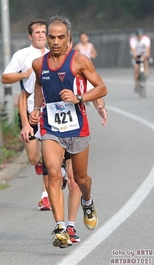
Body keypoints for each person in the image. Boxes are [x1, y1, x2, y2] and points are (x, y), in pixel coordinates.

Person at [27, 15, 107, 248]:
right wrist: (36, 108)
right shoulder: (38, 64)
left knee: (80, 179)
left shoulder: (79, 61)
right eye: (51, 37)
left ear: (69, 38)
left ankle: (88, 200)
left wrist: (79, 97)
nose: (55, 41)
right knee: (53, 171)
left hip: (77, 128)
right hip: (51, 127)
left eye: (61, 37)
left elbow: (102, 87)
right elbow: (39, 85)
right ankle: (60, 226)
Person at [1, 19, 51, 210]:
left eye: (43, 32)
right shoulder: (22, 55)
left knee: (48, 155)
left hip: (48, 111)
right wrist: (24, 74)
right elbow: (5, 77)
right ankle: (40, 164)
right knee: (33, 157)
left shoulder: (52, 54)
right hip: (29, 110)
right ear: (30, 36)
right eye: (37, 32)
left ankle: (45, 196)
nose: (41, 35)